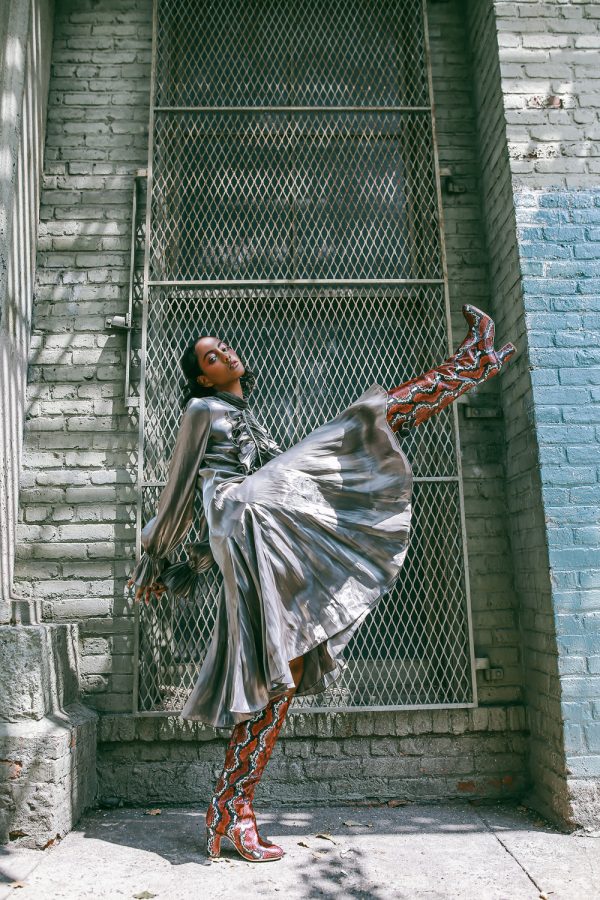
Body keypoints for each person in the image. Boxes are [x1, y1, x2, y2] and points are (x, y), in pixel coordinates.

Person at [128, 304, 515, 862]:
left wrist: (201, 559)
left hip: (261, 526)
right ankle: (469, 367)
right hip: (245, 514)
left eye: (224, 348)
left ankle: (230, 809)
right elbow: (179, 489)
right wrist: (154, 556)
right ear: (202, 378)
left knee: (284, 671)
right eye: (210, 357)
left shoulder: (246, 415)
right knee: (355, 430)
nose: (224, 354)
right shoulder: (200, 408)